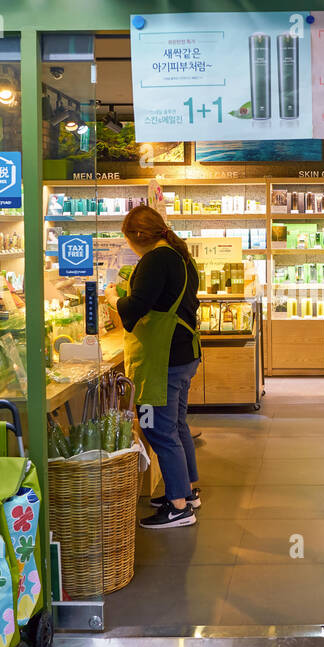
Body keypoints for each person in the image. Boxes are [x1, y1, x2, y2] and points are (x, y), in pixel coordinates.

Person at [105, 205, 203, 529]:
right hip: (184, 354)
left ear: (136, 237)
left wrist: (112, 299)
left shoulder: (155, 260)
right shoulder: (179, 256)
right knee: (175, 426)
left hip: (162, 360)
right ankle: (186, 492)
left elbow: (137, 306)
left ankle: (178, 507)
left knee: (157, 430)